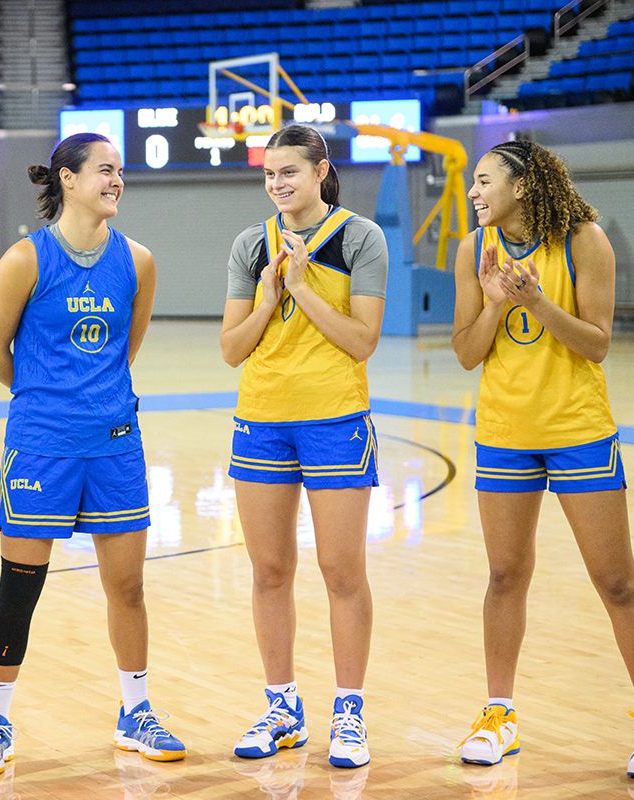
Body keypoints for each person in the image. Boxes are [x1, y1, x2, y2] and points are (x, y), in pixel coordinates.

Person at [0, 132, 185, 777]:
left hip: (114, 445)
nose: (116, 181)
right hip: (41, 448)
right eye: (104, 170)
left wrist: (93, 400)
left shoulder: (138, 261)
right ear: (67, 178)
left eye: (120, 171)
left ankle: (135, 711)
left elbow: (124, 351)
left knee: (128, 587)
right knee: (19, 589)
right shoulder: (24, 260)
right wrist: (47, 399)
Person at [451, 139, 634, 778]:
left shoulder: (585, 241)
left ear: (522, 185)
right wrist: (498, 302)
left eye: (485, 181)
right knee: (504, 576)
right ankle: (499, 715)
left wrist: (537, 302)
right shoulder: (472, 250)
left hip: (577, 430)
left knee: (616, 581)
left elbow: (597, 344)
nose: (474, 192)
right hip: (504, 433)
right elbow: (466, 352)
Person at [220, 124, 388, 770]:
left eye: (288, 171)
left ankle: (349, 710)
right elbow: (232, 348)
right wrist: (269, 297)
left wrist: (303, 287)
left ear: (321, 171)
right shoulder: (250, 243)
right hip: (262, 419)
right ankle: (283, 708)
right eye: (269, 174)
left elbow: (362, 341)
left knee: (342, 572)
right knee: (269, 572)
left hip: (335, 419)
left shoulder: (360, 237)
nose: (277, 184)